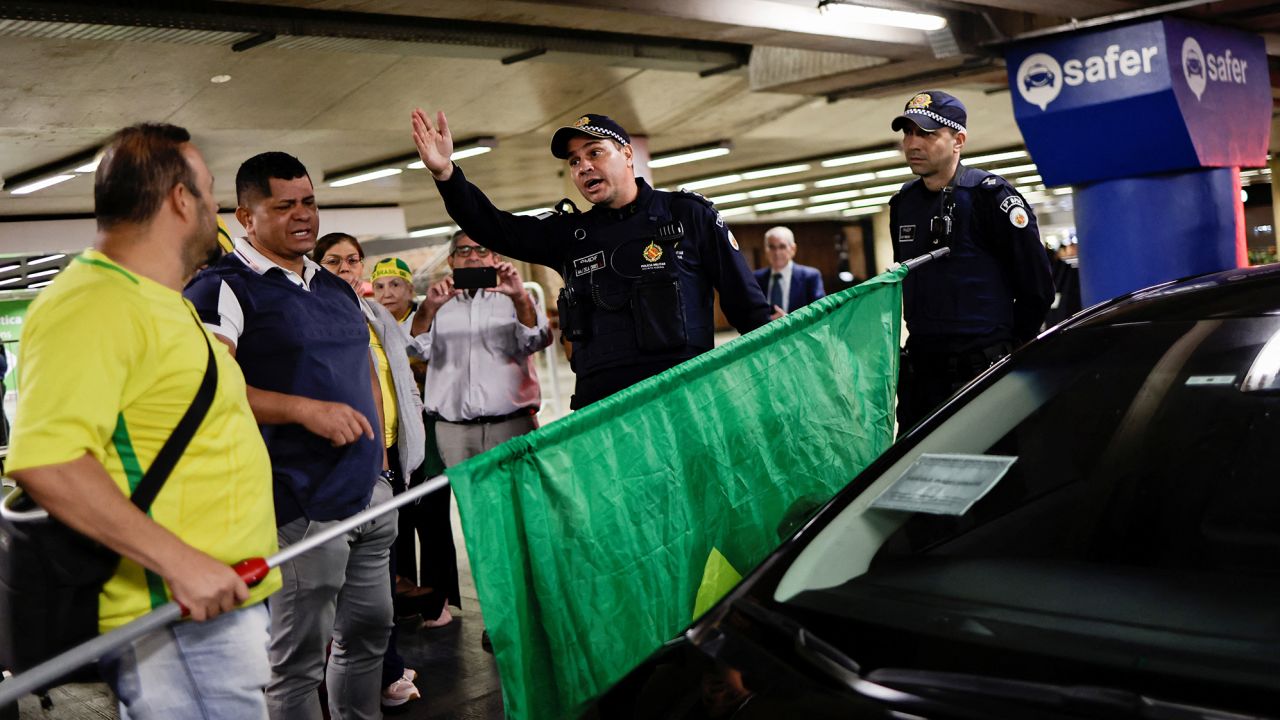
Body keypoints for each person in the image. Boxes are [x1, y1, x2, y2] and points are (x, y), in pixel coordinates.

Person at [6, 123, 281, 719]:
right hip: (179, 617)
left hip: (216, 605)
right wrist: (180, 563)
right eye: (209, 192)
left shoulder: (161, 299)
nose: (218, 211)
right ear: (182, 200)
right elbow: (47, 459)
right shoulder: (93, 302)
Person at [184, 152, 395, 720]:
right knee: (297, 661)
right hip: (297, 504)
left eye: (309, 202)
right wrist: (303, 410)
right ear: (245, 217)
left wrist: (380, 462)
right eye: (285, 206)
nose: (304, 216)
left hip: (368, 491)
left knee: (370, 632)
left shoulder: (335, 286)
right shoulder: (220, 289)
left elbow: (363, 372)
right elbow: (206, 392)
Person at [410, 110, 773, 409]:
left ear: (628, 154)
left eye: (594, 152)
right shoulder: (569, 235)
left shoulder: (688, 216)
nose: (583, 166)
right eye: (574, 160)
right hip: (600, 409)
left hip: (683, 399)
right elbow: (494, 227)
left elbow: (750, 310)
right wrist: (446, 174)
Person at [408, 231, 552, 635]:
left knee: (517, 520)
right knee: (479, 526)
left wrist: (519, 297)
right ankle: (499, 619)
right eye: (463, 252)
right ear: (451, 261)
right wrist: (429, 310)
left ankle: (530, 609)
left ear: (493, 257)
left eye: (481, 249)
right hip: (455, 433)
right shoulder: (435, 303)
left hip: (510, 426)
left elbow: (537, 339)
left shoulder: (517, 297)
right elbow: (414, 349)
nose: (472, 257)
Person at [888, 90, 1054, 431]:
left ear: (958, 140)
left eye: (927, 134)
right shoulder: (903, 204)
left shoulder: (989, 198)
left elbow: (1037, 289)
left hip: (983, 368)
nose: (913, 143)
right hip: (923, 373)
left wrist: (1009, 350)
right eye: (908, 133)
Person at [314, 234, 425, 709]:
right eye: (333, 260)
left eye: (352, 260)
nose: (345, 267)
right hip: (348, 467)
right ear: (315, 265)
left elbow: (402, 373)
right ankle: (379, 669)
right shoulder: (312, 312)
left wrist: (414, 434)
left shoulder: (376, 315)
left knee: (385, 575)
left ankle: (387, 664)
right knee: (350, 586)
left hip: (393, 457)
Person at [753, 226, 826, 315]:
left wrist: (788, 322)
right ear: (765, 250)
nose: (777, 252)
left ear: (793, 249)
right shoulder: (755, 278)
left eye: (782, 247)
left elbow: (820, 311)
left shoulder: (810, 277)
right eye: (772, 247)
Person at [370, 257, 418, 330]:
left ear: (410, 290)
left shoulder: (429, 324)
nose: (387, 294)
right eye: (380, 287)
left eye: (395, 285)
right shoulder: (366, 327)